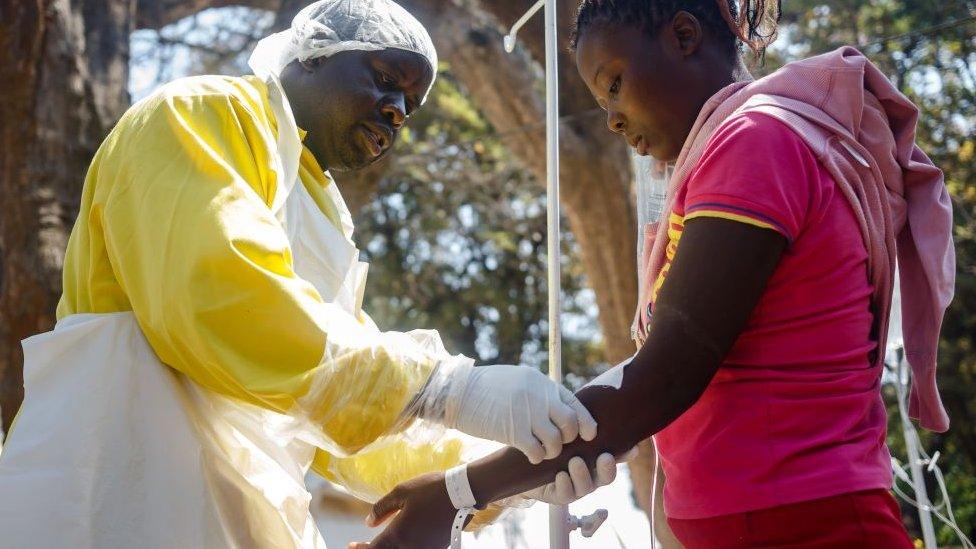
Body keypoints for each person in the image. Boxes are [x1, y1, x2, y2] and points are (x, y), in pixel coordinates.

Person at [0, 1, 622, 547]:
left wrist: (499, 476)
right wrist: (450, 388)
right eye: (385, 79)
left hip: (240, 507)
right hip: (120, 486)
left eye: (410, 103)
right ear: (314, 56)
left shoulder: (322, 211)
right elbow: (222, 299)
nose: (397, 109)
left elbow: (349, 412)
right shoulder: (201, 114)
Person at [353, 1, 957, 547]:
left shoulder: (757, 143)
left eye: (614, 85)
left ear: (684, 36)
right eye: (603, 103)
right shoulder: (733, 153)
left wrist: (457, 494)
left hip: (810, 524)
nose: (613, 119)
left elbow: (666, 376)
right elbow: (668, 377)